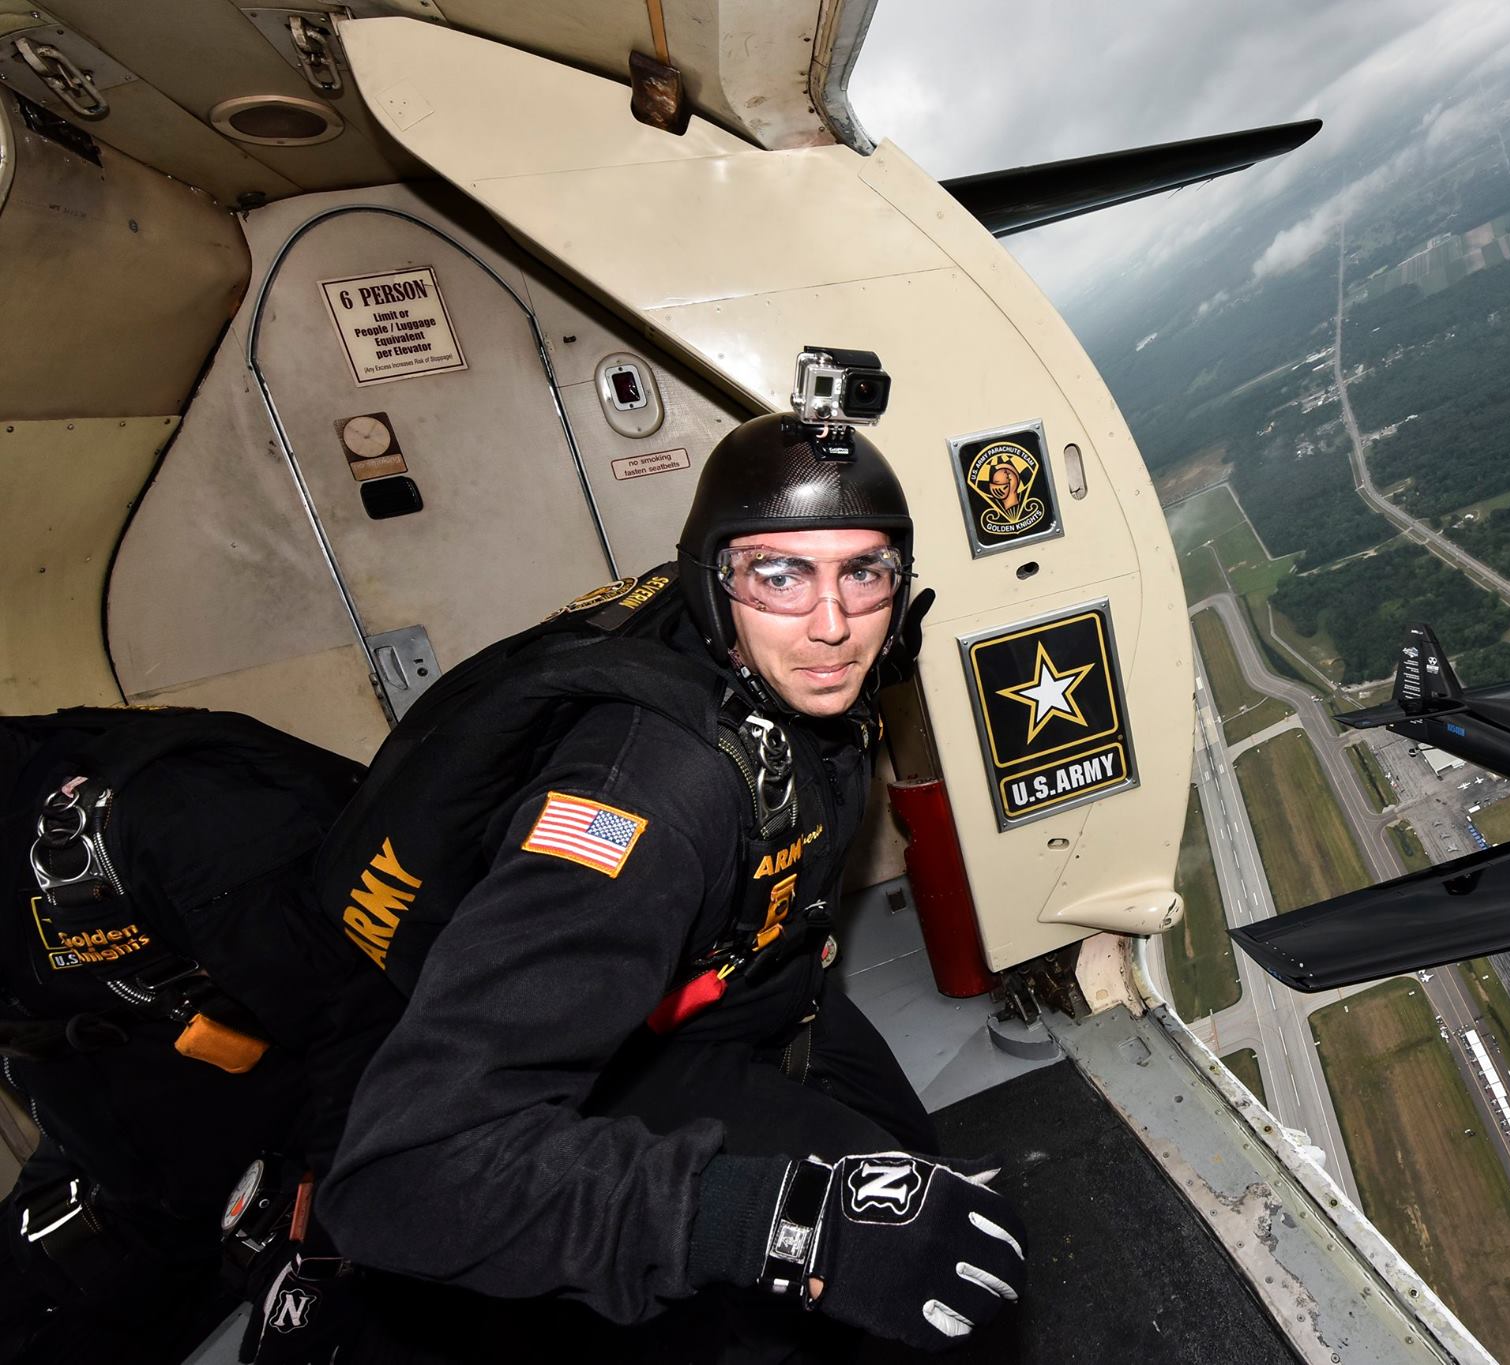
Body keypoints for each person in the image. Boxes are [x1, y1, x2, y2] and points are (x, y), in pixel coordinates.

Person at [312, 414, 1025, 1363]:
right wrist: (767, 1224)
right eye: (779, 573)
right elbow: (401, 1176)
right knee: (853, 1293)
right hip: (645, 1054)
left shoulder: (807, 668)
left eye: (864, 571)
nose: (832, 623)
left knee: (927, 1197)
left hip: (769, 993)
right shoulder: (650, 793)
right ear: (713, 583)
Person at [0, 707, 370, 1364]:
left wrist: (324, 1233)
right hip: (124, 1184)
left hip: (295, 1171)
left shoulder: (164, 811)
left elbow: (365, 1021)